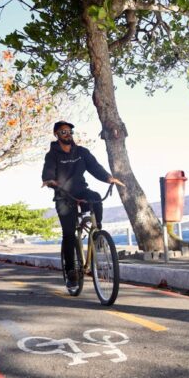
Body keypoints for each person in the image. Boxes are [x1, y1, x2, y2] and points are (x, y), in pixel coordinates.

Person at [41, 121, 124, 288]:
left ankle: (97, 235)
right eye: (63, 132)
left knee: (95, 197)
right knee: (69, 233)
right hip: (63, 196)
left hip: (81, 190)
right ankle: (71, 272)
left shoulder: (81, 152)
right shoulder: (52, 155)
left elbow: (95, 167)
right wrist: (49, 180)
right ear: (57, 134)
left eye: (70, 131)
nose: (68, 134)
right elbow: (48, 171)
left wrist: (109, 178)